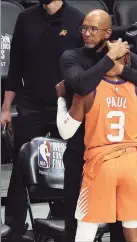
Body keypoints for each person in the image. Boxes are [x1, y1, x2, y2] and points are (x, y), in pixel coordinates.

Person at [59, 9, 137, 242]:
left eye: (93, 29)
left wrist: (122, 69)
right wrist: (110, 59)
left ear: (107, 32)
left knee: (120, 226)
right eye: (84, 28)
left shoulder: (125, 58)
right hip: (82, 153)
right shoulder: (72, 56)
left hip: (117, 154)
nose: (86, 33)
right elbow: (80, 84)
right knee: (75, 222)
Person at [0, 0, 84, 241]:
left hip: (65, 107)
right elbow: (15, 66)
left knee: (65, 166)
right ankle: (13, 229)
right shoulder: (25, 18)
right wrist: (6, 108)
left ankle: (59, 222)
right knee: (21, 167)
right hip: (31, 104)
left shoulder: (77, 19)